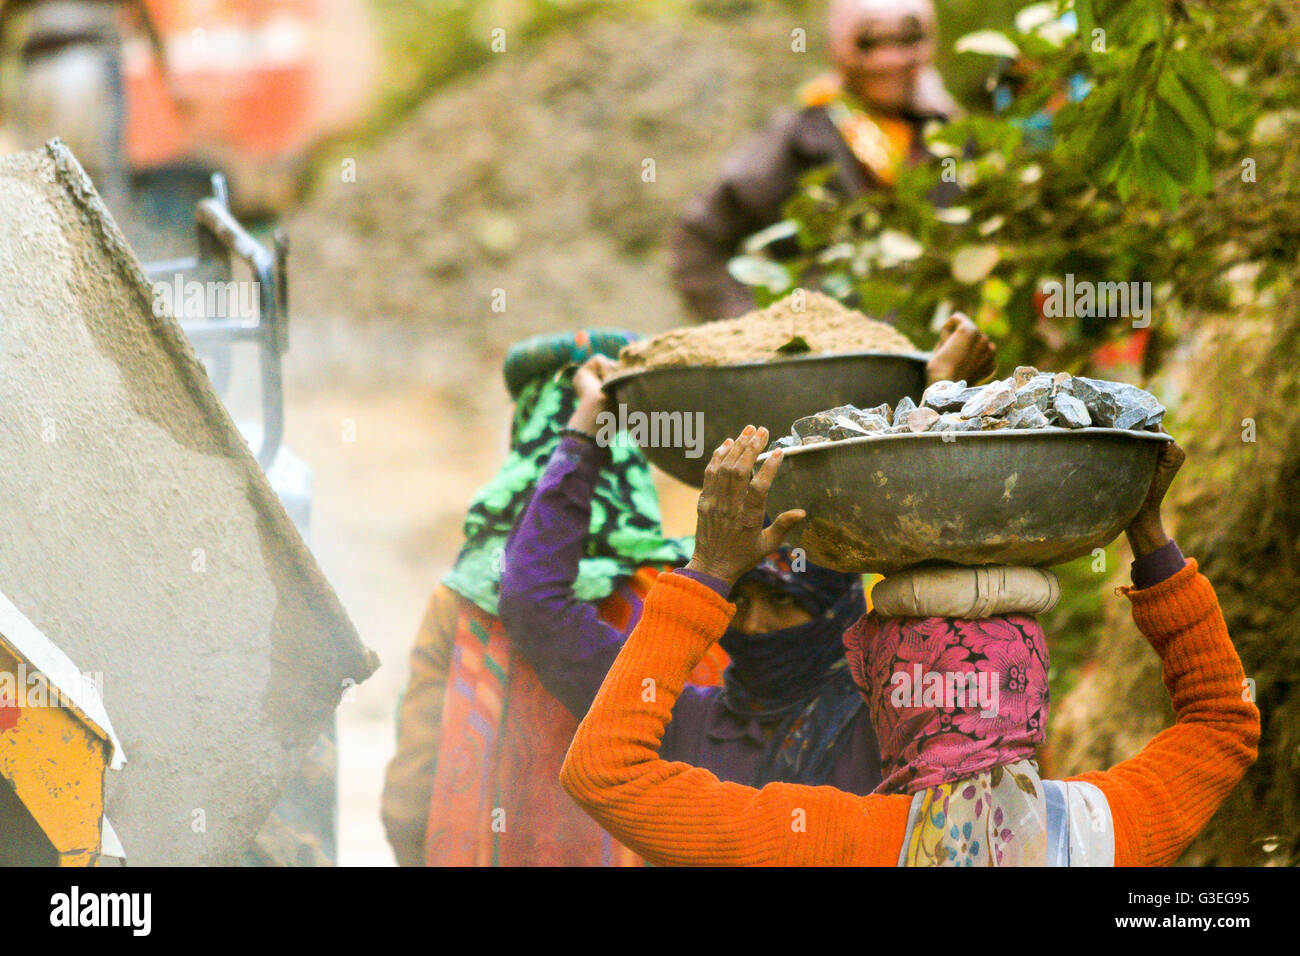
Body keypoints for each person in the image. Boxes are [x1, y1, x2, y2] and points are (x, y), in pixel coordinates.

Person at [559, 426, 1260, 865]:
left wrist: (709, 573)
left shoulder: (836, 840)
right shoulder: (1106, 830)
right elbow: (1222, 723)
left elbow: (604, 774)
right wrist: (1149, 535)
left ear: (886, 700)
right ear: (1032, 688)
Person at [499, 318, 996, 794]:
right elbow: (534, 607)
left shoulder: (897, 719)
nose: (754, 626)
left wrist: (940, 399)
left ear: (836, 604)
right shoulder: (682, 723)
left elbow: (953, 617)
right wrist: (588, 430)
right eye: (739, 600)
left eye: (782, 601)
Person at [380, 330, 714, 866]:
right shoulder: (681, 593)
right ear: (631, 446)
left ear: (525, 436)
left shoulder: (461, 598)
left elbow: (412, 786)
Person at [671, 0, 960, 322]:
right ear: (840, 44)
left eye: (907, 40)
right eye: (870, 42)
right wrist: (750, 327)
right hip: (830, 357)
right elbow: (700, 239)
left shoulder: (951, 135)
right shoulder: (804, 135)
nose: (889, 58)